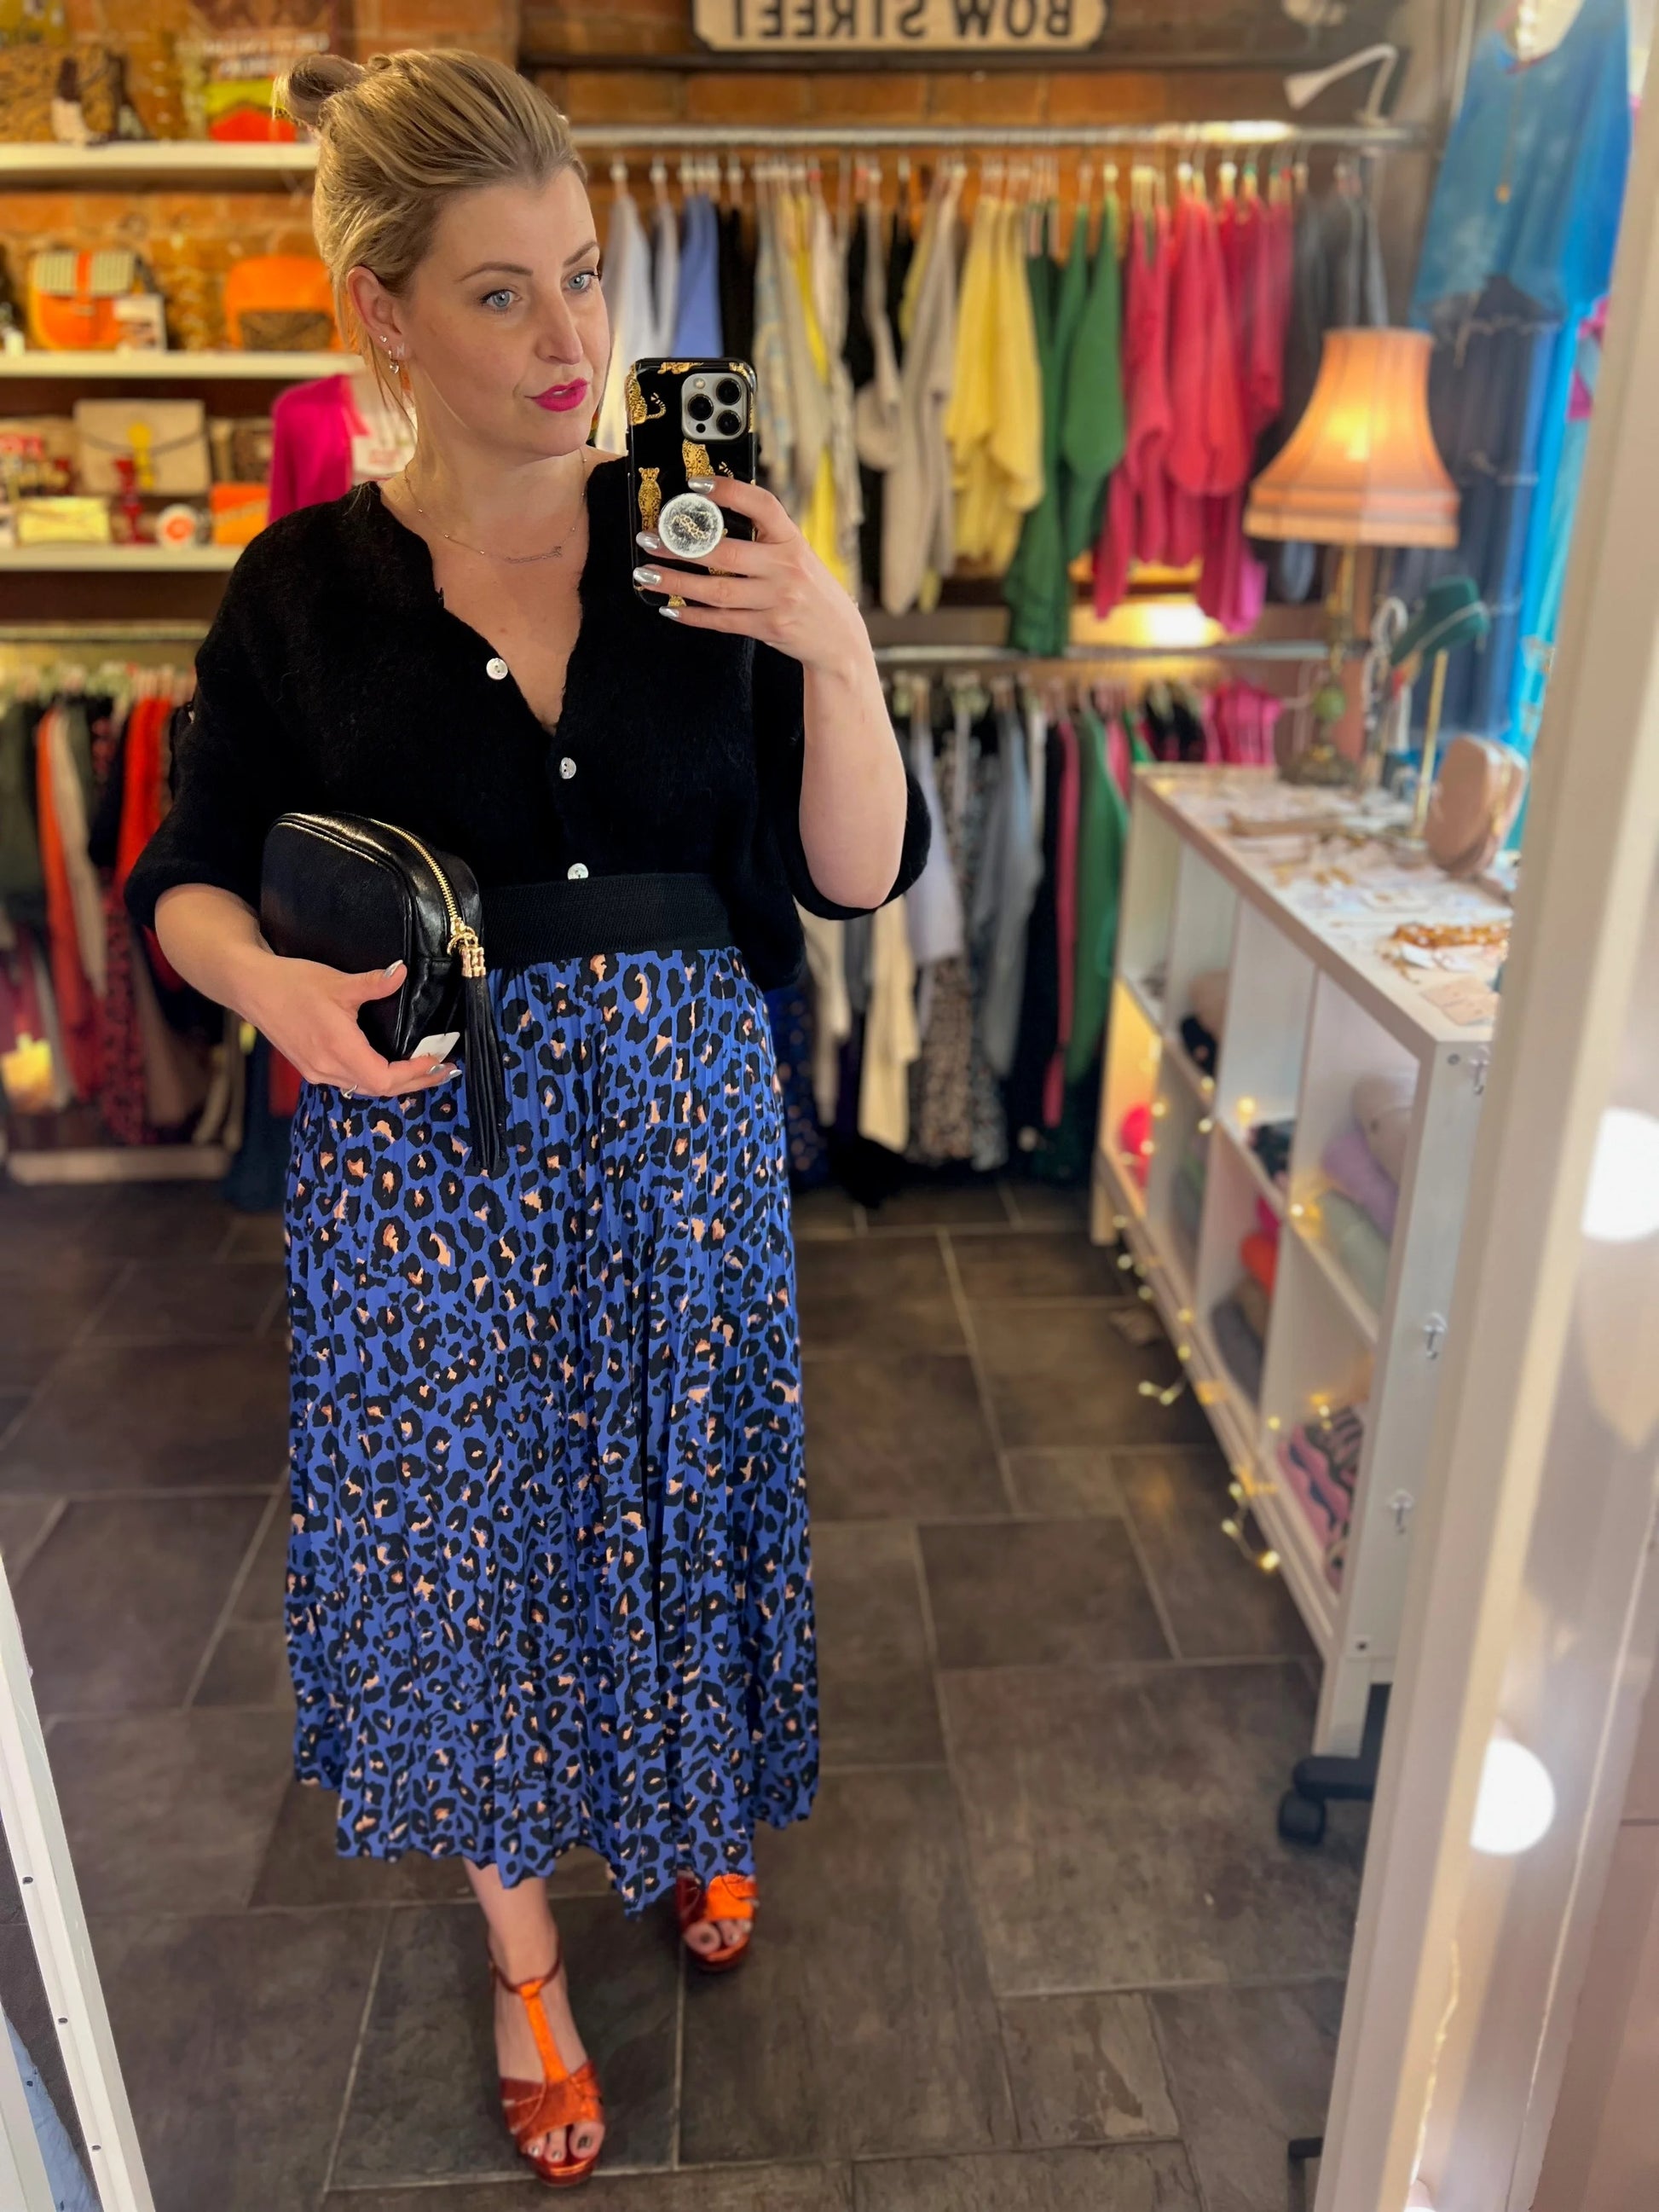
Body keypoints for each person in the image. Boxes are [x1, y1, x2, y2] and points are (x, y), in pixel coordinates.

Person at [124, 49, 926, 2188]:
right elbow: (182, 875)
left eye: (585, 276)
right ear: (383, 309)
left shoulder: (708, 554)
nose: (575, 341)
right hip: (425, 1162)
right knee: (468, 1557)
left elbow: (852, 874)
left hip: (684, 1152)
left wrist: (836, 656)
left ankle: (678, 1821)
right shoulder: (302, 593)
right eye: (502, 294)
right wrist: (267, 983)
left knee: (676, 1500)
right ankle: (520, 1963)